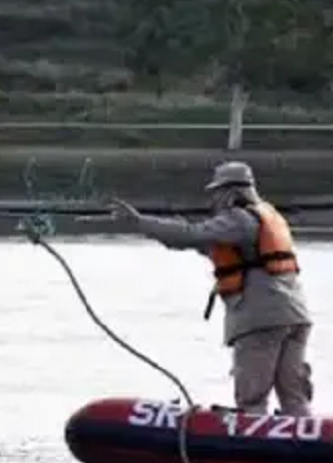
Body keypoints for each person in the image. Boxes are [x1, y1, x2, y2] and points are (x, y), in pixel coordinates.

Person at [110, 160, 314, 416]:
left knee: (252, 396)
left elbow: (191, 234)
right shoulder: (265, 217)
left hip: (261, 319)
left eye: (217, 192)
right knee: (293, 393)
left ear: (231, 191)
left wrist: (139, 222)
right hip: (296, 315)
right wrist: (160, 229)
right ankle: (303, 444)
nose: (214, 198)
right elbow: (187, 238)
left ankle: (250, 448)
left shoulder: (238, 221)